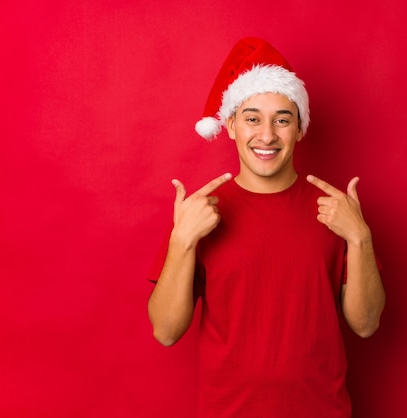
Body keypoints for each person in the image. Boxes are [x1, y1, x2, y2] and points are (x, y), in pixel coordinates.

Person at [148, 37, 385, 418]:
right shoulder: (200, 213)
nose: (267, 135)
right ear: (230, 127)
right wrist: (182, 241)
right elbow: (166, 331)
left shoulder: (336, 211)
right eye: (253, 118)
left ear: (300, 129)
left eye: (282, 120)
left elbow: (366, 324)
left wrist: (360, 237)